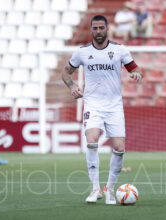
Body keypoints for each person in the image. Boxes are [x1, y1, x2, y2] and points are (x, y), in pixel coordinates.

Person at [62, 15, 143, 205]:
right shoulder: (82, 52)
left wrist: (137, 73)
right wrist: (73, 85)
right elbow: (65, 72)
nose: (98, 31)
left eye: (101, 28)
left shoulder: (119, 50)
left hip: (114, 106)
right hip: (93, 104)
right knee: (91, 140)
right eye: (95, 28)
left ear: (107, 29)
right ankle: (94, 189)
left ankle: (110, 190)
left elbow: (135, 68)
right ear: (91, 30)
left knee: (119, 148)